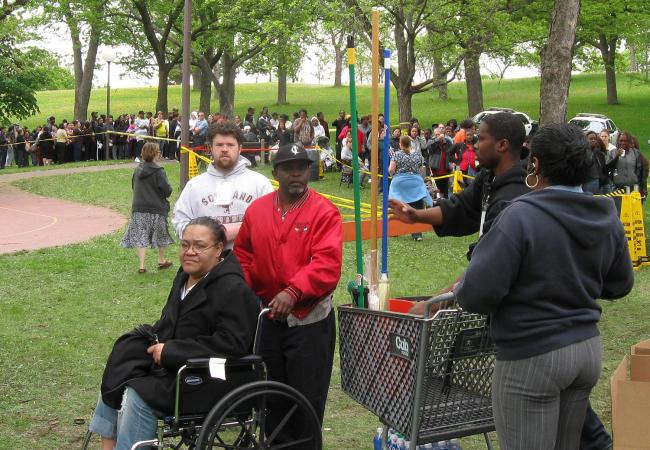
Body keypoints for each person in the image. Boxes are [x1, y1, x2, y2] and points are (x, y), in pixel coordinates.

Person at [455, 123, 634, 450]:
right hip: (585, 350)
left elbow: (476, 293)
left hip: (531, 354)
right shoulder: (605, 213)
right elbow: (620, 283)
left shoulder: (520, 215)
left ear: (534, 165)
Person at [89, 216, 260, 450]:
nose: (190, 252)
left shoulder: (233, 288)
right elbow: (169, 322)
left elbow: (232, 344)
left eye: (199, 246)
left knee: (137, 397)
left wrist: (172, 351)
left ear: (219, 248)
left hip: (208, 376)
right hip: (174, 368)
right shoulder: (184, 276)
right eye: (185, 244)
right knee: (117, 377)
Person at [234, 142, 342, 446]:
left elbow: (327, 263)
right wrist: (246, 289)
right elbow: (242, 253)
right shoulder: (258, 210)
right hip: (268, 319)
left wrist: (294, 291)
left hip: (308, 322)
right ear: (275, 172)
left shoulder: (324, 212)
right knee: (271, 398)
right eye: (288, 168)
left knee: (306, 400)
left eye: (302, 167)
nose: (296, 174)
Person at [172, 121, 274, 249]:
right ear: (210, 148)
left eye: (230, 145)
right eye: (219, 145)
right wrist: (210, 235)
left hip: (249, 264)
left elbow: (272, 223)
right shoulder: (194, 186)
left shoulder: (260, 184)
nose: (225, 149)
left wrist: (237, 230)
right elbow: (180, 223)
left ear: (240, 148)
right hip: (206, 265)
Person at [120, 142, 174, 273]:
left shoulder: (138, 170)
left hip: (139, 207)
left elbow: (134, 186)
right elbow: (167, 190)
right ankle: (161, 260)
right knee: (161, 233)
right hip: (157, 208)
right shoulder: (159, 171)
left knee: (141, 235)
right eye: (158, 152)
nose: (159, 154)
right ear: (155, 154)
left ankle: (142, 265)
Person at [388, 134, 432, 241]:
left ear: (400, 144)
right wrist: (420, 179)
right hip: (415, 183)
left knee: (397, 207)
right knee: (417, 207)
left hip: (399, 183)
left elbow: (391, 170)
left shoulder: (396, 155)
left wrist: (393, 176)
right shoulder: (417, 155)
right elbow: (422, 171)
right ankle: (417, 234)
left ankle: (395, 231)